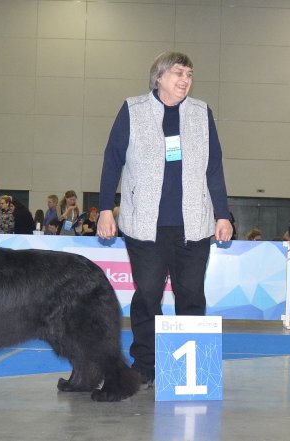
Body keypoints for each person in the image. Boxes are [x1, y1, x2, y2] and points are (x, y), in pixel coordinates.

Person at [97, 51, 232, 388]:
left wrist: (222, 214)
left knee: (191, 296)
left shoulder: (201, 113)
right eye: (178, 73)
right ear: (159, 77)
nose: (185, 80)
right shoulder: (132, 109)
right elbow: (112, 160)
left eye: (189, 74)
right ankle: (146, 365)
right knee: (147, 296)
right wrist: (104, 208)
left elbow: (214, 166)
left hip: (194, 226)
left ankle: (189, 374)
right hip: (145, 227)